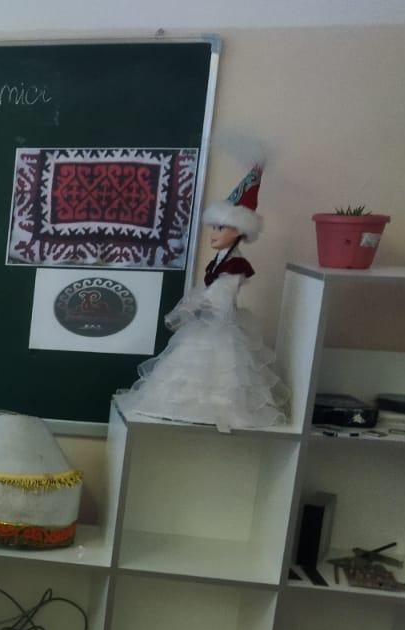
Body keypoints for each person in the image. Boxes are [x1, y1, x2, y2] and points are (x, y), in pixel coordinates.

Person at [116, 163, 288, 432]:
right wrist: (193, 306)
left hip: (219, 324)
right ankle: (186, 409)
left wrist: (197, 307)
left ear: (238, 231)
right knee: (189, 364)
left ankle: (216, 413)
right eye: (214, 228)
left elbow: (220, 299)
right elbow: (208, 292)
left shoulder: (235, 265)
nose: (214, 234)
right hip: (207, 321)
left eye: (221, 228)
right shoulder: (221, 260)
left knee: (221, 370)